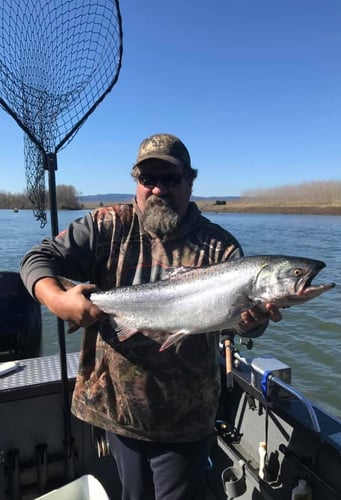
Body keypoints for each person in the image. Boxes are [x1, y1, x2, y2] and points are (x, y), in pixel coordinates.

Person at [20, 133, 282, 500]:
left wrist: (253, 319)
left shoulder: (221, 248)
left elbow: (238, 321)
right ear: (137, 183)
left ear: (190, 182)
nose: (158, 189)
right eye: (148, 179)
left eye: (170, 179)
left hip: (185, 419)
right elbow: (36, 259)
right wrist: (57, 300)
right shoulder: (106, 226)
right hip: (115, 407)